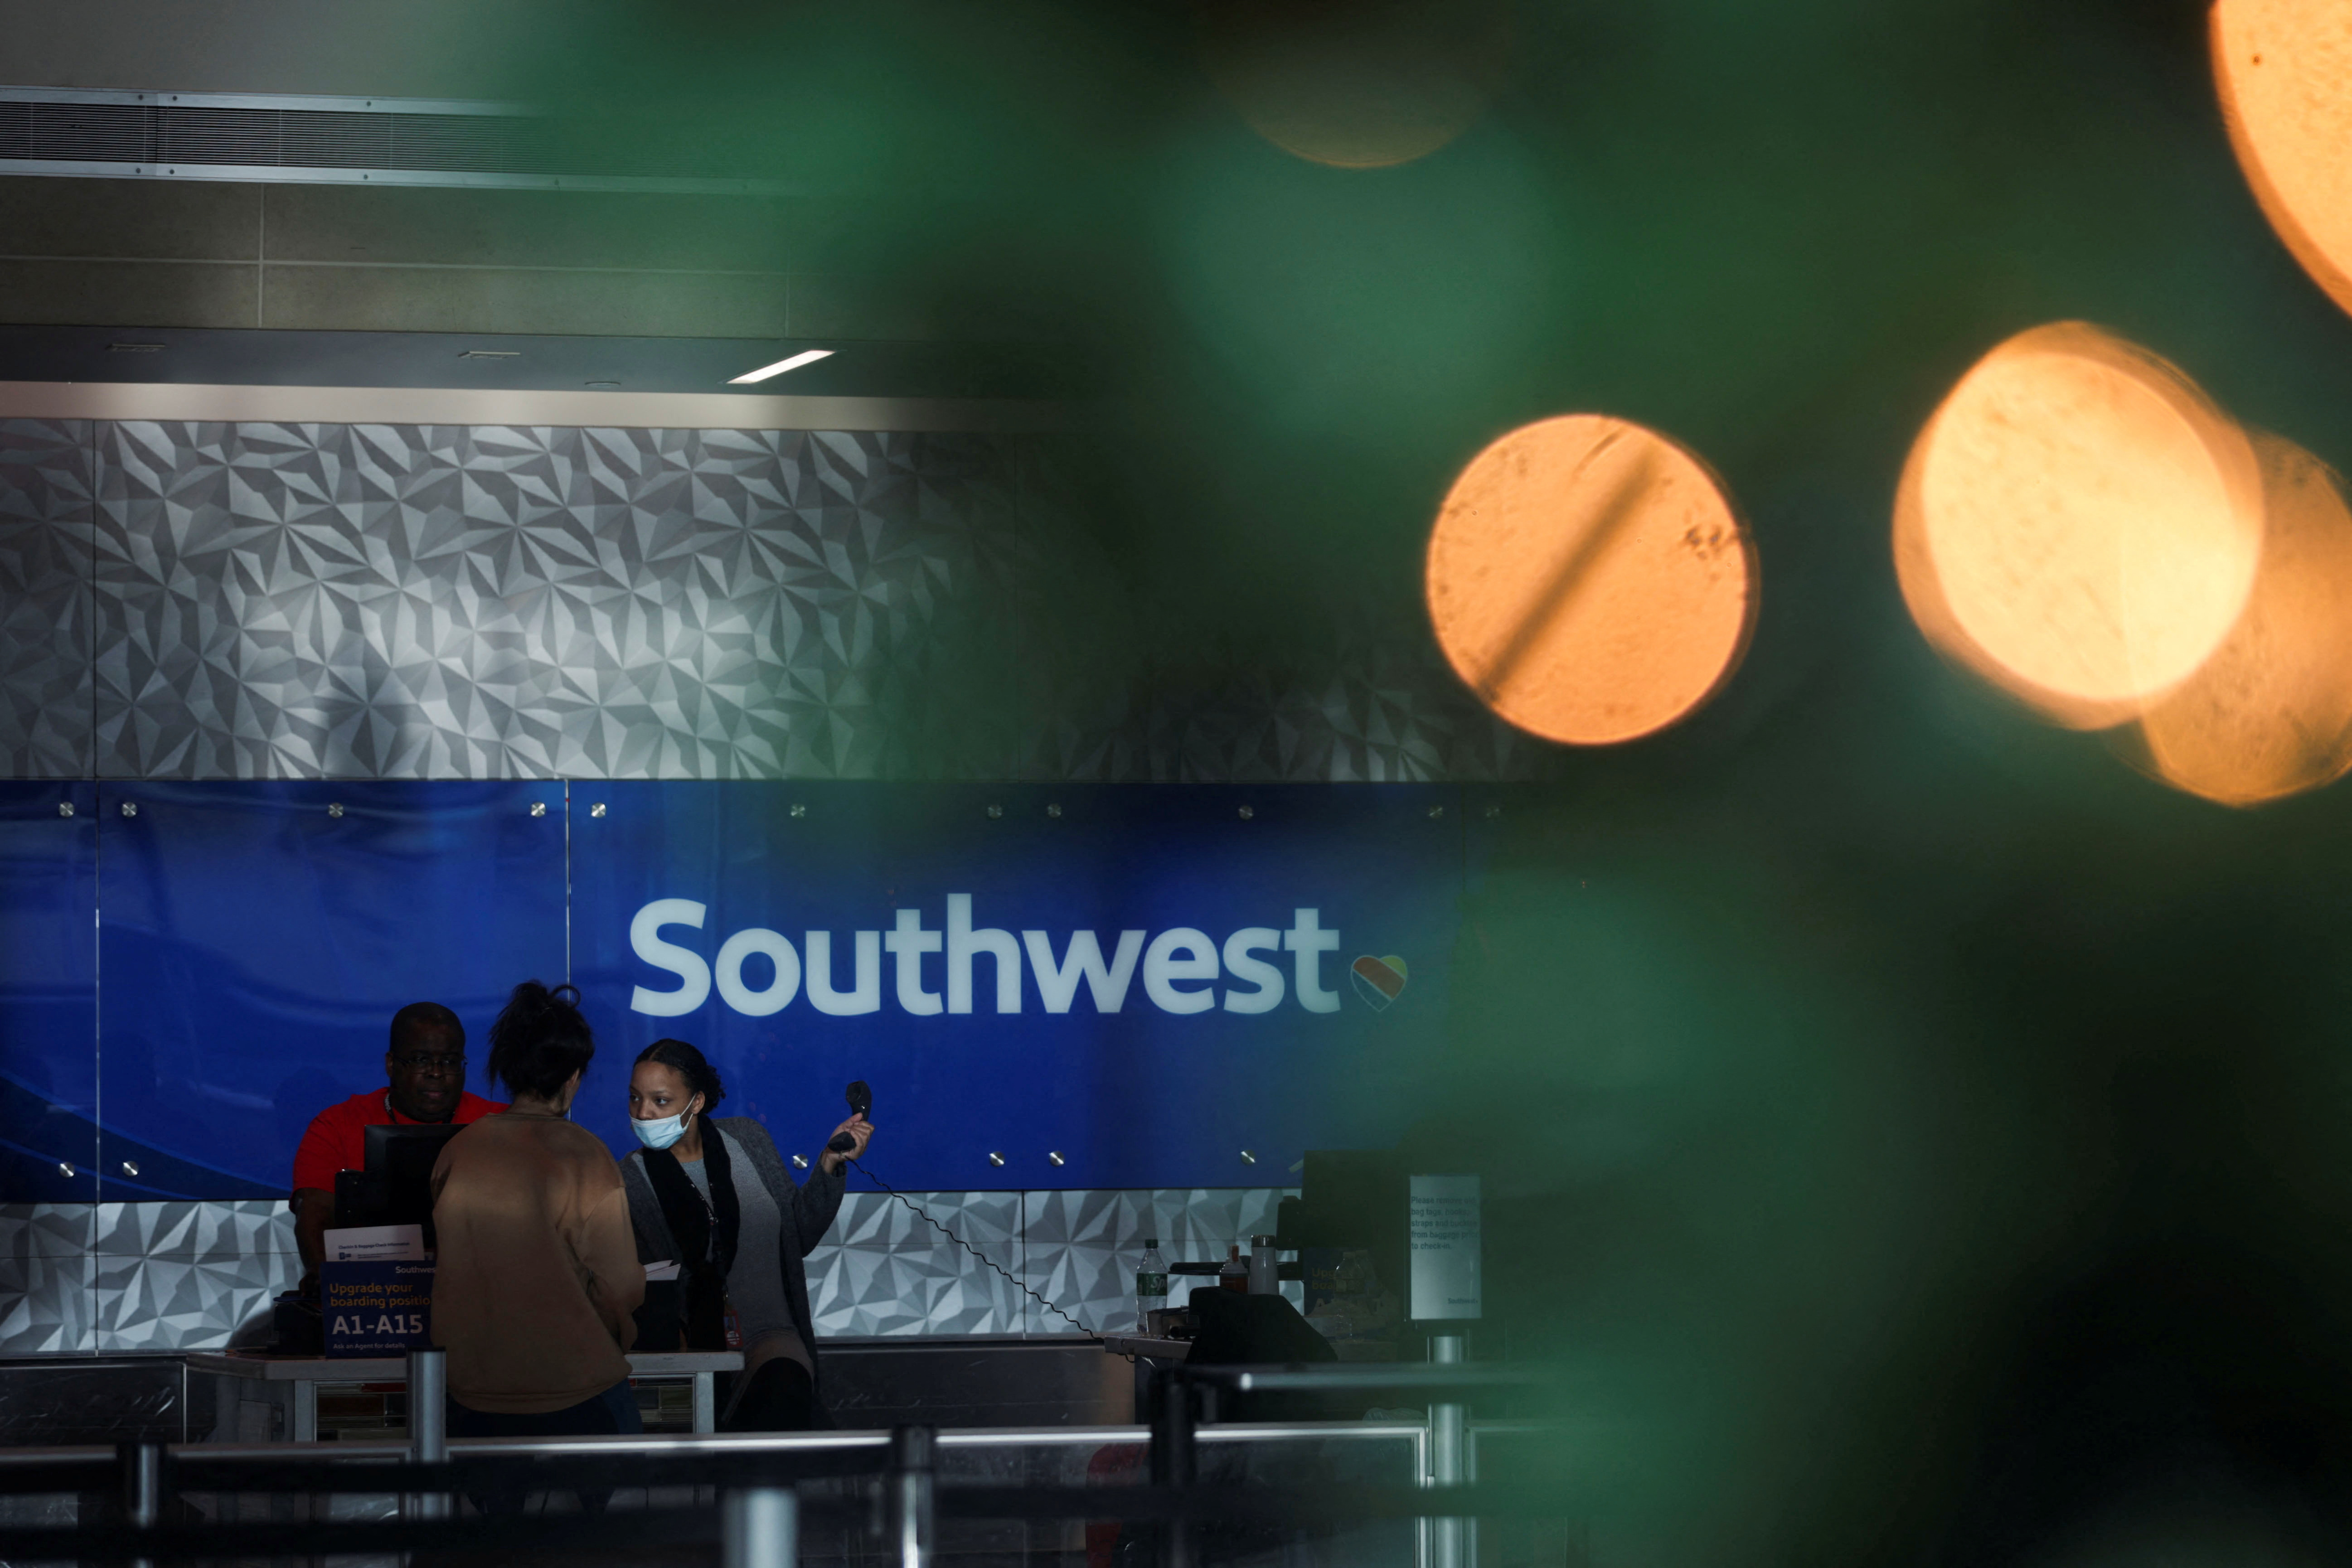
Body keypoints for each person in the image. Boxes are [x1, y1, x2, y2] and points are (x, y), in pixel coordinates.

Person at [428, 980, 644, 1479]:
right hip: (579, 1390)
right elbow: (621, 1285)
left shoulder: (458, 1151)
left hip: (470, 1398)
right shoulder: (585, 1153)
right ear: (573, 1077)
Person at [618, 1039, 871, 1431]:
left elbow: (797, 1237)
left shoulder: (747, 1140)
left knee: (782, 1397)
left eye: (661, 1101)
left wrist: (829, 1165)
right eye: (635, 1099)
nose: (644, 1113)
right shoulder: (630, 1178)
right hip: (693, 1354)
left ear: (697, 1102)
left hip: (772, 1338)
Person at [288, 1002, 504, 1294]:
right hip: (372, 1296)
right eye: (421, 1060)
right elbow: (315, 1214)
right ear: (391, 1064)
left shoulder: (502, 1124)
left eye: (450, 1062)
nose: (437, 1073)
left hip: (483, 1294)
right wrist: (328, 1280)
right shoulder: (337, 1125)